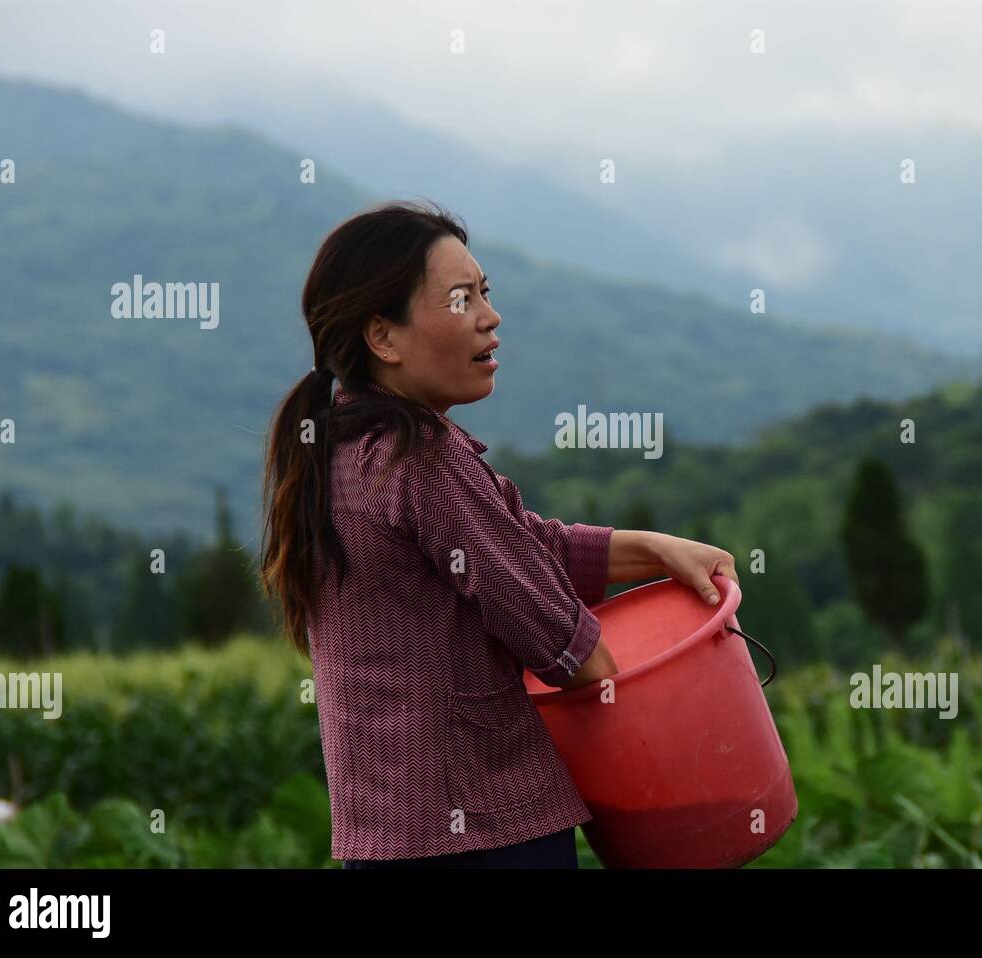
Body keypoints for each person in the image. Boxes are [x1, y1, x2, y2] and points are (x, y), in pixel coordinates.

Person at [260, 199, 739, 868]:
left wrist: (655, 550)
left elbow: (513, 546)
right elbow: (570, 651)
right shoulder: (422, 458)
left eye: (485, 292)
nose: (491, 316)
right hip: (489, 835)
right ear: (384, 337)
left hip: (383, 843)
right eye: (461, 299)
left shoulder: (335, 452)